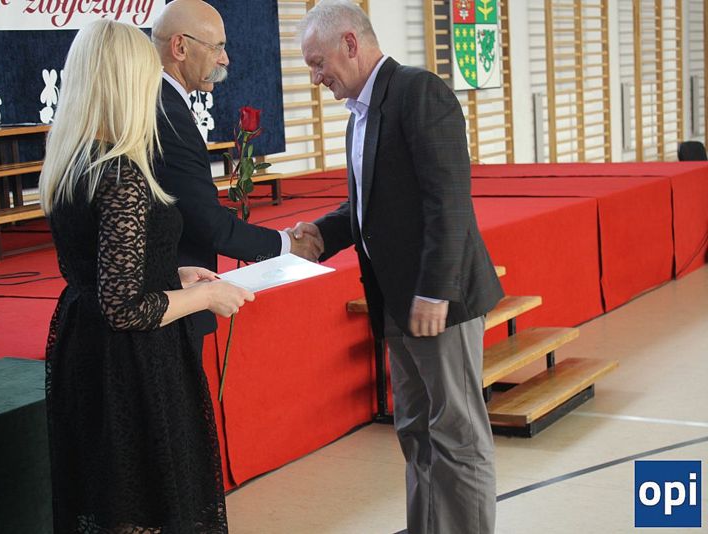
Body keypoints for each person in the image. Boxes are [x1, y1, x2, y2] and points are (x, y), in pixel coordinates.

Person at [295, 2, 504, 533]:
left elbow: (448, 201)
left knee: (458, 438)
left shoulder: (419, 92)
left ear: (350, 43)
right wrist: (322, 235)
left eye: (318, 63)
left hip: (439, 302)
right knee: (416, 431)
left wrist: (435, 291)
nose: (316, 78)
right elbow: (368, 205)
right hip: (396, 302)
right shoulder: (360, 115)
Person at [39, 19, 253, 533]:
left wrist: (171, 272)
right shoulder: (121, 173)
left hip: (84, 347)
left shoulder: (73, 160)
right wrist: (207, 298)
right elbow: (125, 308)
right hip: (131, 366)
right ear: (129, 81)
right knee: (145, 508)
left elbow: (103, 267)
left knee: (111, 500)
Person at [151, 0, 323, 354]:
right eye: (217, 47)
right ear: (180, 47)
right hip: (170, 299)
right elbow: (208, 225)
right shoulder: (167, 115)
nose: (225, 59)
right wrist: (289, 246)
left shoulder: (160, 103)